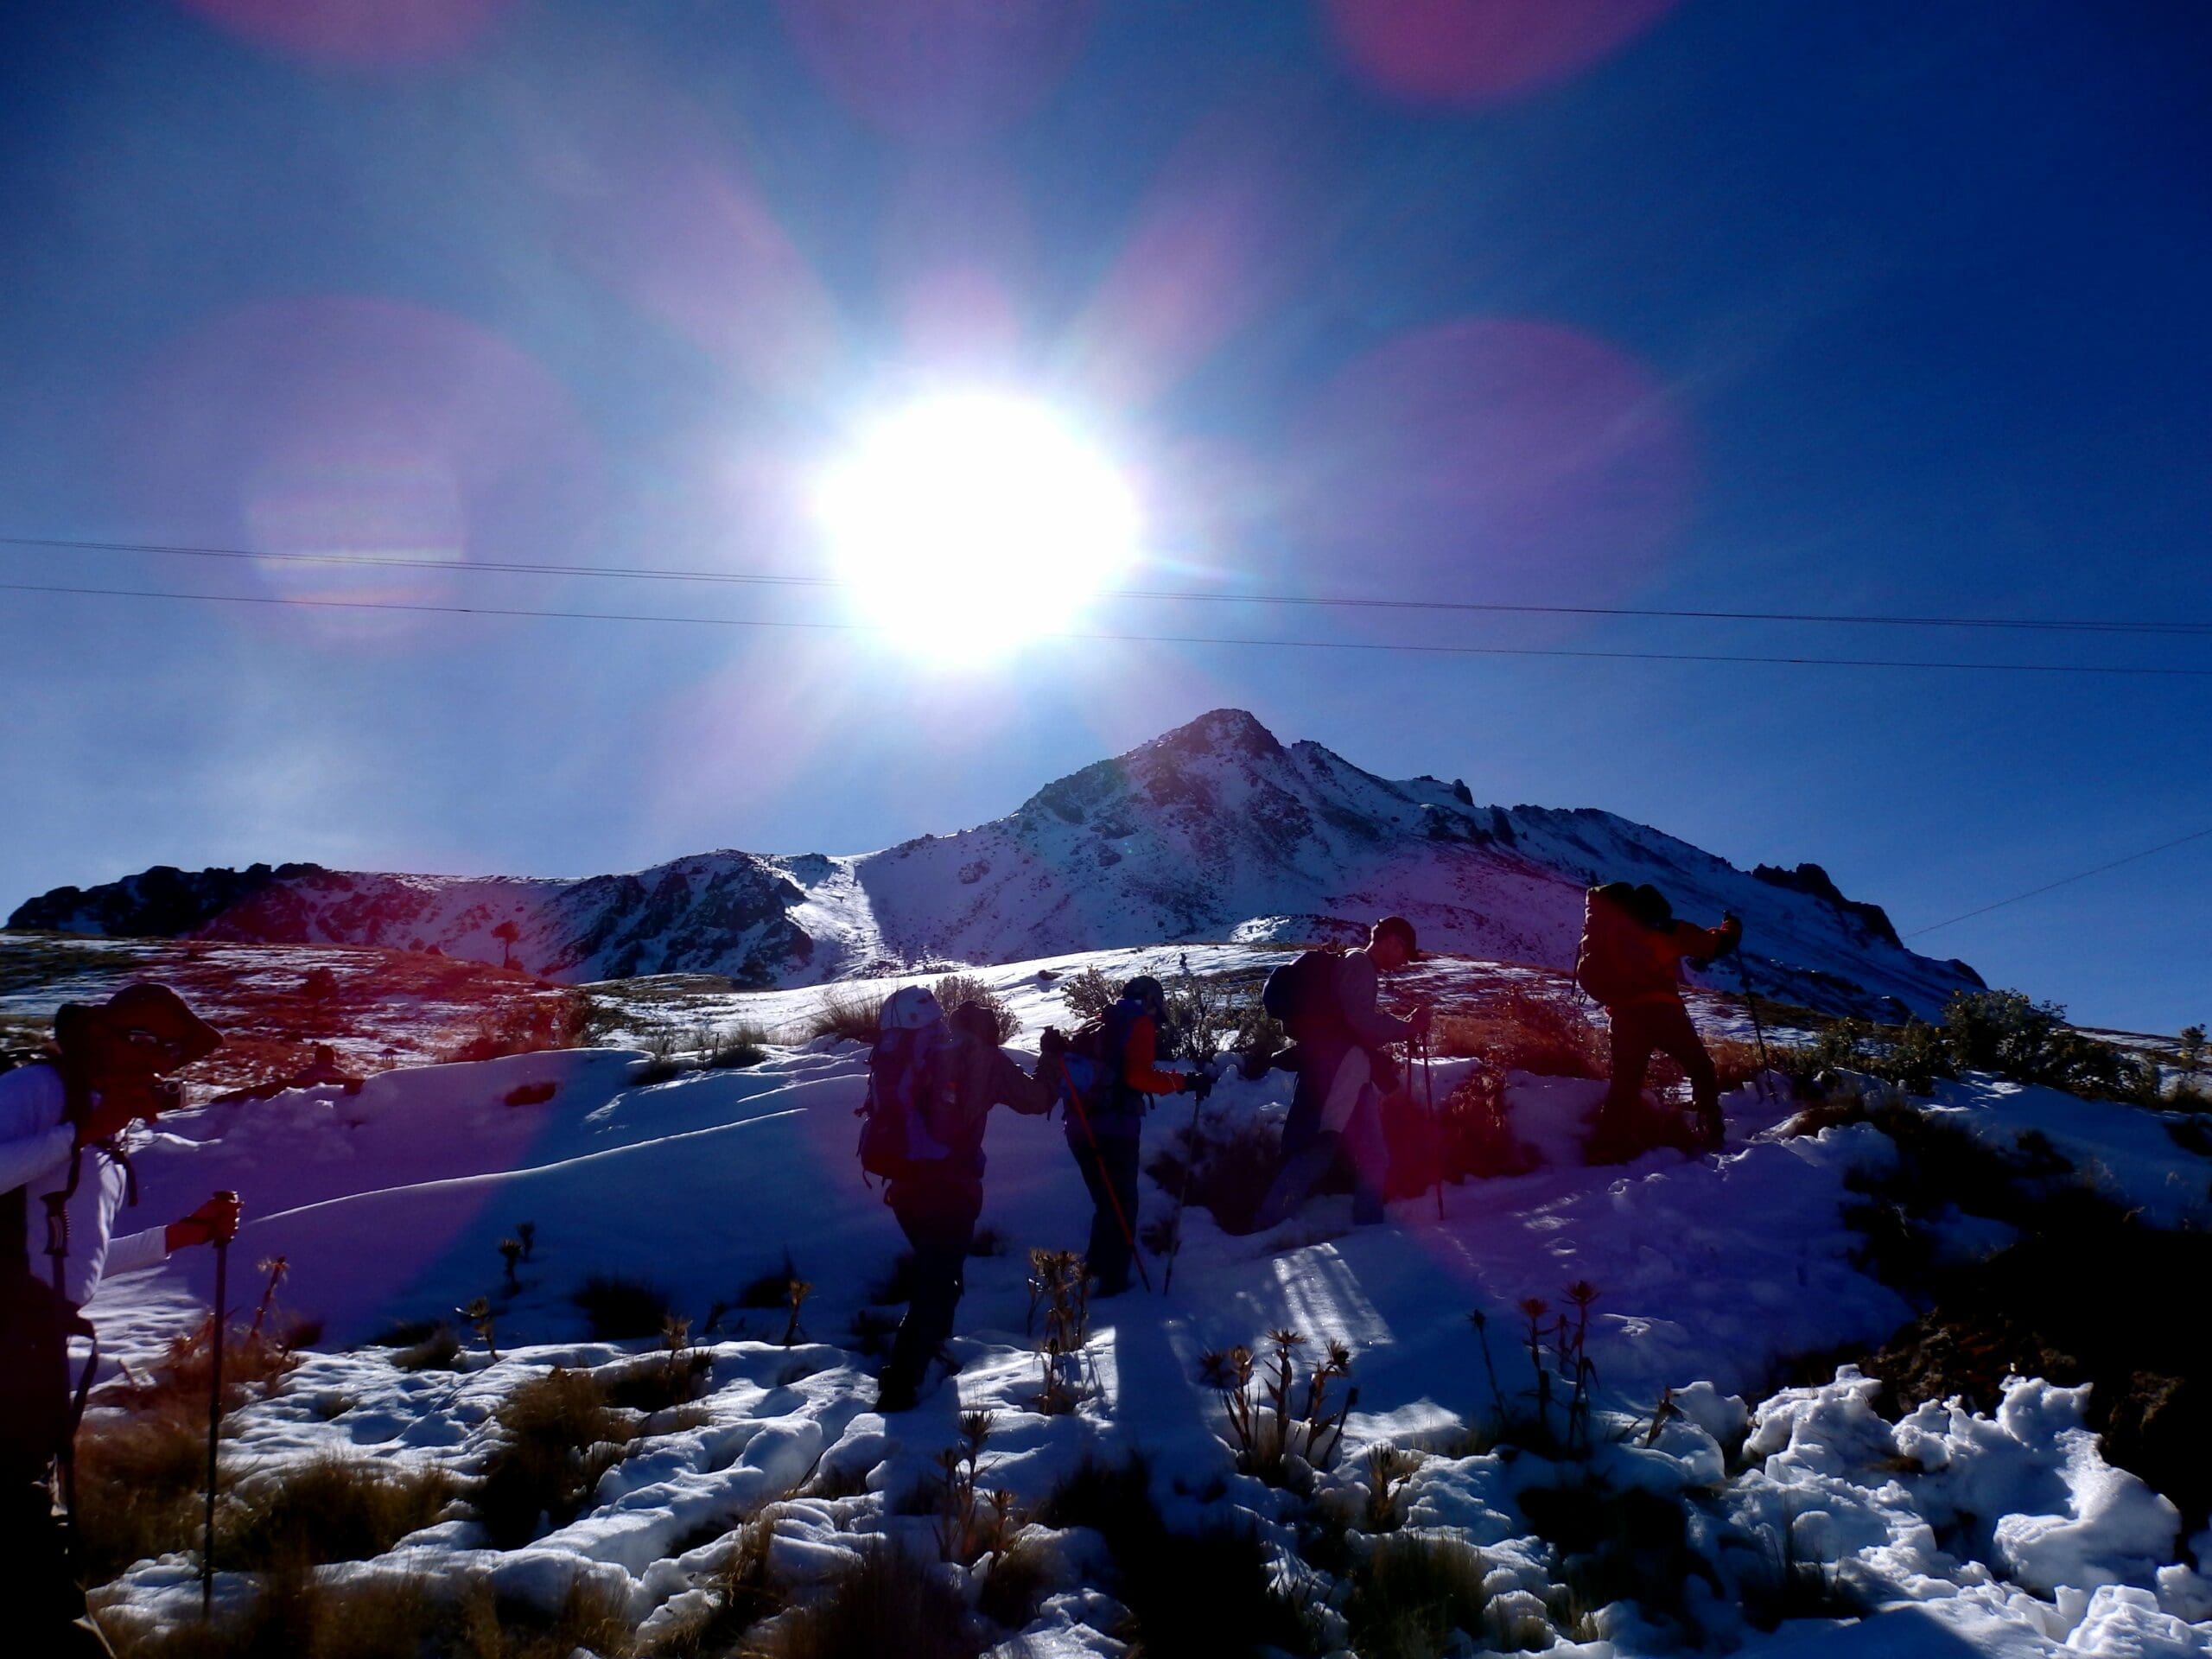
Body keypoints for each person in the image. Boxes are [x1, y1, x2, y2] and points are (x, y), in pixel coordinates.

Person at [1, 983, 241, 1658]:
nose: (158, 1060)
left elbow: (70, 1266)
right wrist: (83, 1132)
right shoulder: (37, 1093)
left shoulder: (98, 1136)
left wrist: (181, 1236)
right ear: (99, 1034)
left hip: (32, 1351)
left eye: (171, 1050)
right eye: (145, 1038)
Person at [873, 990, 1052, 1413]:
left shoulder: (901, 1055)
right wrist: (1051, 1059)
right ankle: (901, 1387)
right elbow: (1037, 1100)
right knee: (936, 1286)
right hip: (951, 1189)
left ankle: (931, 1359)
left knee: (939, 1277)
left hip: (904, 1189)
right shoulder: (980, 1056)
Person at [1258, 917, 1433, 1228]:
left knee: (1372, 1155)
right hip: (1341, 1071)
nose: (1404, 961)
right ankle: (1267, 1225)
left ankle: (1370, 1227)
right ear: (1392, 941)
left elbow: (1357, 1021)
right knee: (1318, 1151)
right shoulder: (1359, 965)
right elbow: (1361, 1023)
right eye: (1404, 952)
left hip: (1353, 1072)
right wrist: (1408, 1028)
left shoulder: (1357, 965)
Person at [1047, 975, 1201, 1300]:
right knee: (1121, 1207)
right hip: (1114, 1128)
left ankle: (1091, 1279)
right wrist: (1184, 1083)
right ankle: (1112, 1289)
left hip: (1078, 1125)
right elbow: (1138, 1076)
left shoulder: (1099, 1020)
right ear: (1150, 1001)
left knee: (1107, 1204)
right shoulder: (1139, 1024)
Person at [1576, 882, 1742, 1164]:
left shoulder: (1604, 932)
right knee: (1701, 1068)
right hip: (1662, 1013)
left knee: (1625, 1084)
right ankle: (1711, 1133)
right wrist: (1732, 926)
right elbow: (1714, 945)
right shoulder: (1664, 929)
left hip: (1623, 1017)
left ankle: (1607, 1147)